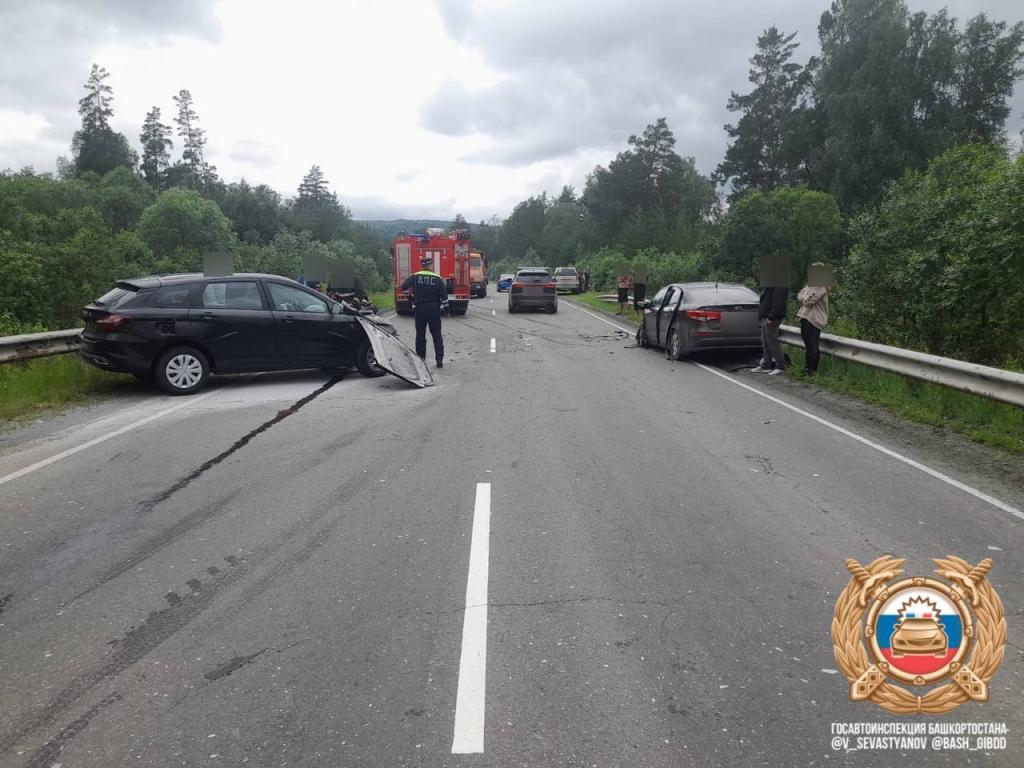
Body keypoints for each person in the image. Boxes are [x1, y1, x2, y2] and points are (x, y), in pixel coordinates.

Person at [400, 255, 448, 368]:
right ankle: (439, 359)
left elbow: (404, 286)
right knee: (437, 335)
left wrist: (411, 298)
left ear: (422, 265)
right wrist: (446, 310)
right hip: (434, 309)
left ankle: (421, 359)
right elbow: (444, 296)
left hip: (420, 309)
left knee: (420, 335)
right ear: (431, 265)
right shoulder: (437, 278)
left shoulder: (416, 276)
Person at [796, 268, 830, 376]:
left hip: (815, 319)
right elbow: (799, 295)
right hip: (805, 317)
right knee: (808, 344)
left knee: (813, 344)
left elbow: (809, 302)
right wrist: (805, 297)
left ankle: (813, 370)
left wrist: (804, 298)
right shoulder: (809, 286)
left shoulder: (821, 287)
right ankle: (807, 368)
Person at [752, 284, 789, 375]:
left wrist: (772, 316)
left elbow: (779, 301)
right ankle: (766, 365)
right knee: (765, 341)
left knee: (772, 341)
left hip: (772, 317)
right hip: (766, 316)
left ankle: (780, 366)